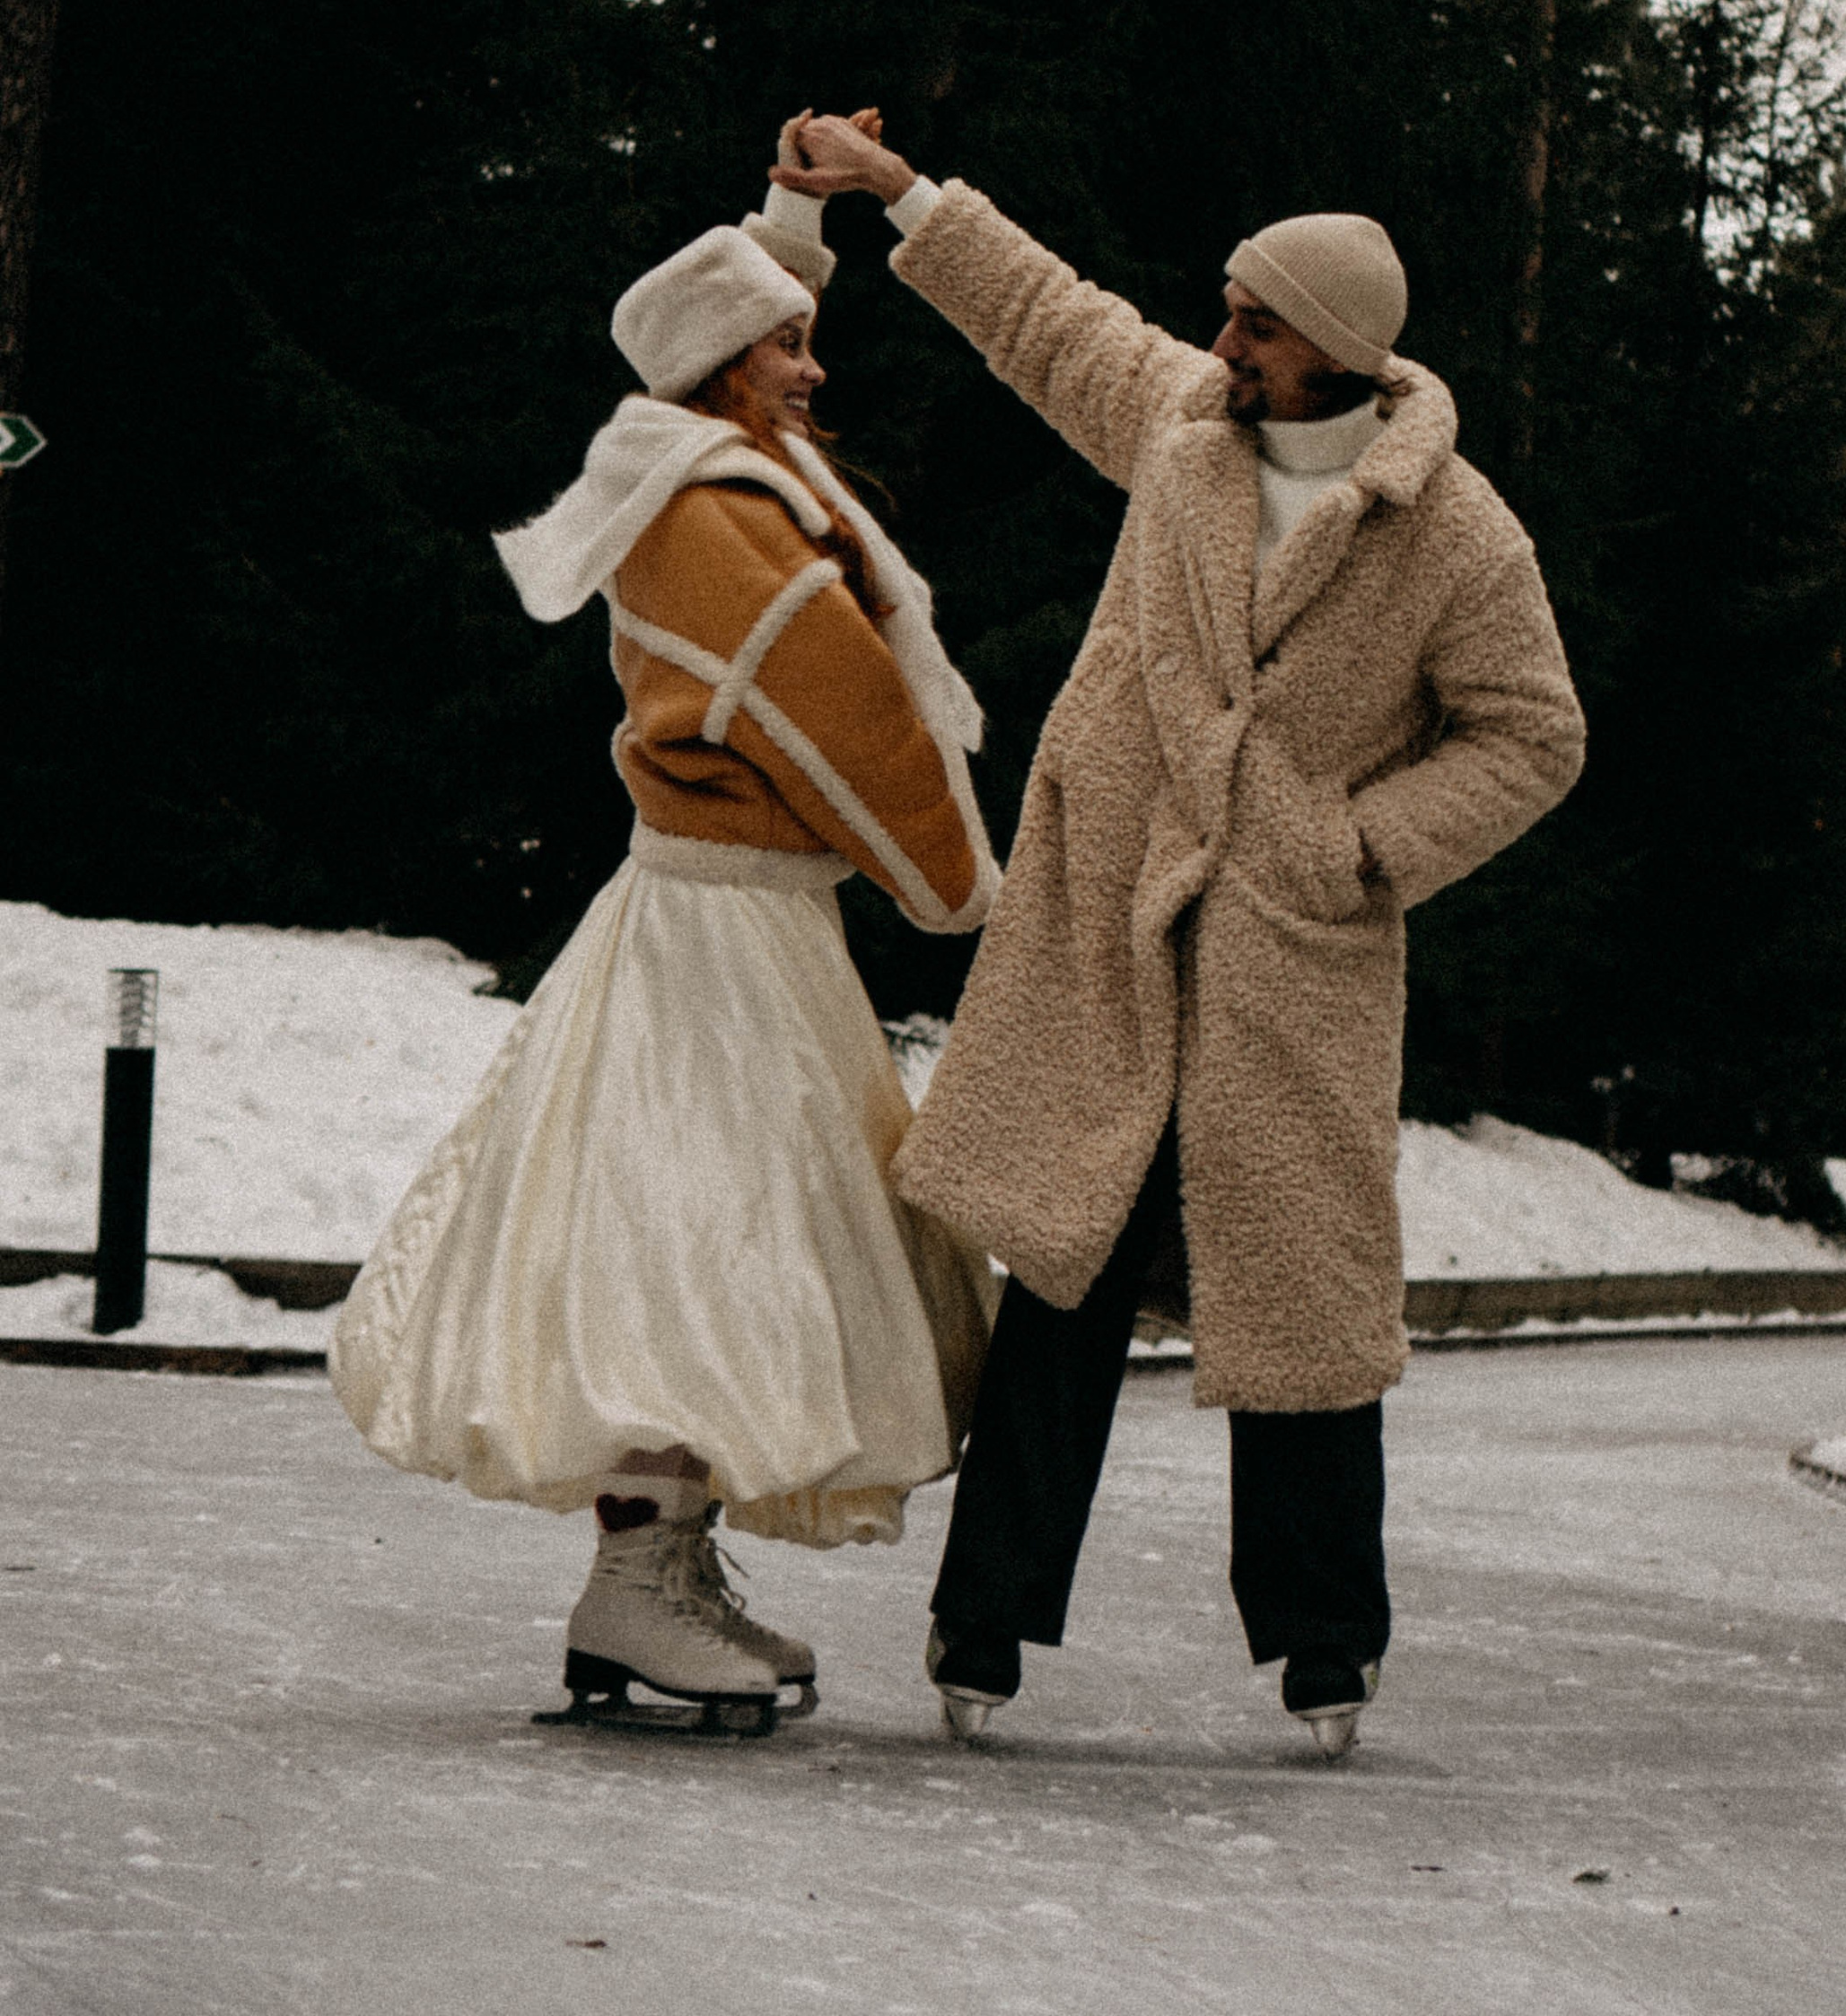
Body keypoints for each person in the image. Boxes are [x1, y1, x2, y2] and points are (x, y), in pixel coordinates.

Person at [774, 116, 1585, 1759]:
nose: (1221, 343)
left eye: (1256, 323)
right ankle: (981, 1622)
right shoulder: (1185, 434)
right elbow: (1047, 318)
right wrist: (897, 193)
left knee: (1301, 1306)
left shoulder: (1456, 533)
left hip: (1294, 960)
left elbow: (1533, 737)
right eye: (1224, 311)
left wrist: (1358, 849)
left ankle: (1327, 1650)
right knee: (1061, 1279)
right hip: (1113, 927)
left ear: (1336, 351)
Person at [329, 153, 999, 1729]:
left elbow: (744, 331)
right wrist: (964, 888)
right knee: (695, 1243)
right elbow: (838, 713)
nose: (813, 368)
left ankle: (658, 1573)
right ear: (722, 371)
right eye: (786, 347)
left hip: (731, 918)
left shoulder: (706, 468)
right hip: (720, 937)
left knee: (705, 1240)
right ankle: (635, 1586)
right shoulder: (715, 508)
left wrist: (798, 221)